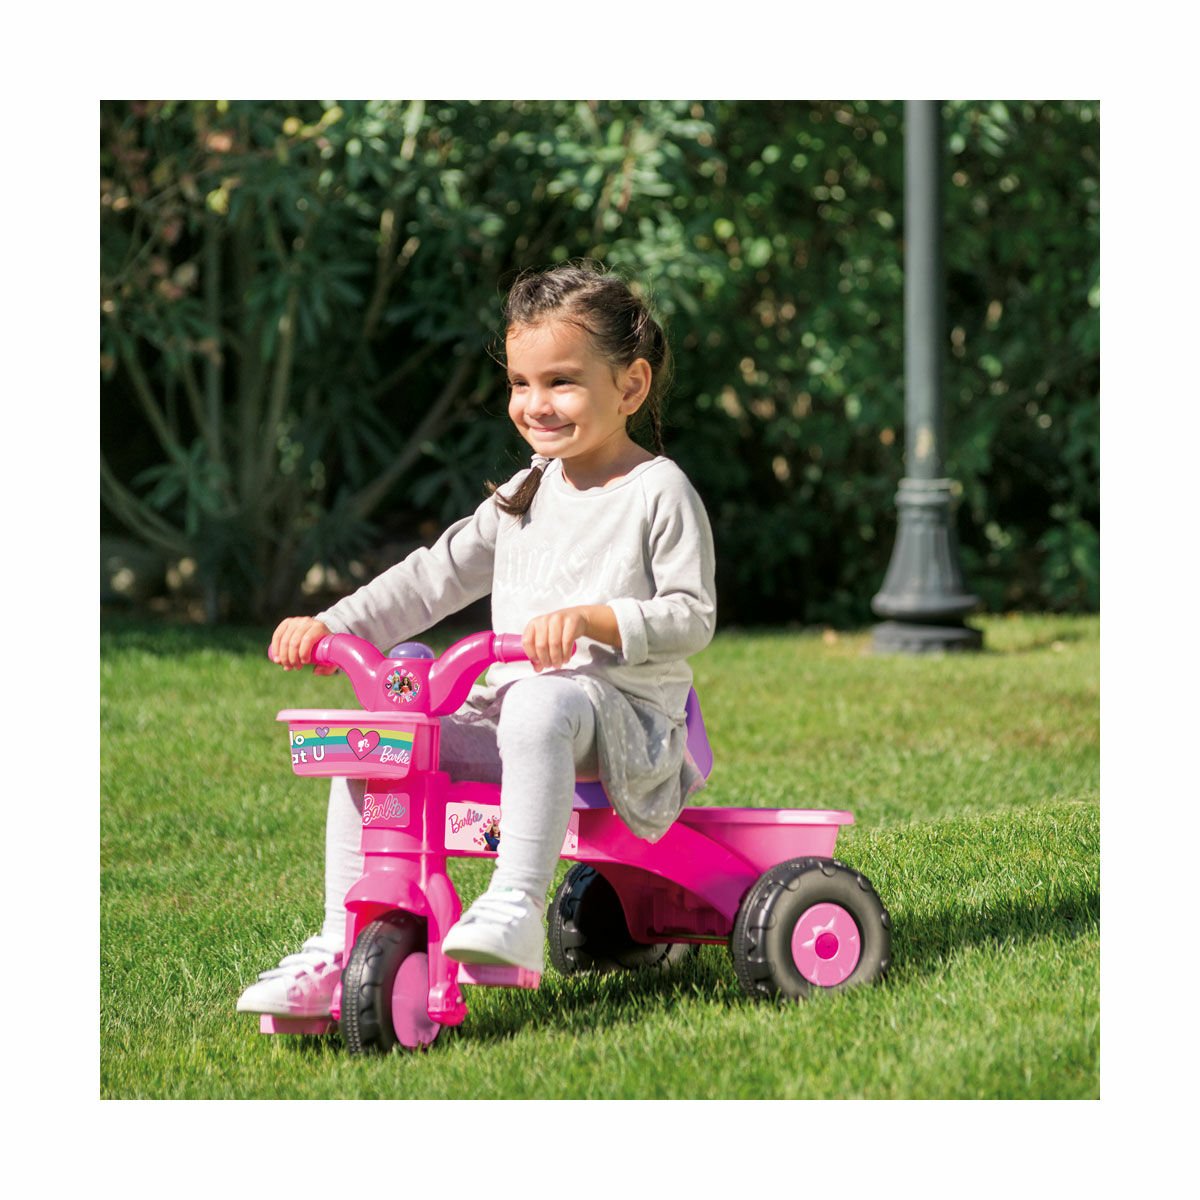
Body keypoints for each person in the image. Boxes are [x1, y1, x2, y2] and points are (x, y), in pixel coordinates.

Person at [237, 260, 717, 1018]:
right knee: (375, 744)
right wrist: (334, 625)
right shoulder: (527, 490)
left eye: (561, 381)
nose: (535, 403)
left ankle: (516, 904)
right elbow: (432, 577)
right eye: (521, 383)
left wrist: (596, 619)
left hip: (622, 721)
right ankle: (337, 940)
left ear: (630, 386)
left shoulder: (658, 490)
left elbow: (692, 614)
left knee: (540, 704)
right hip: (514, 716)